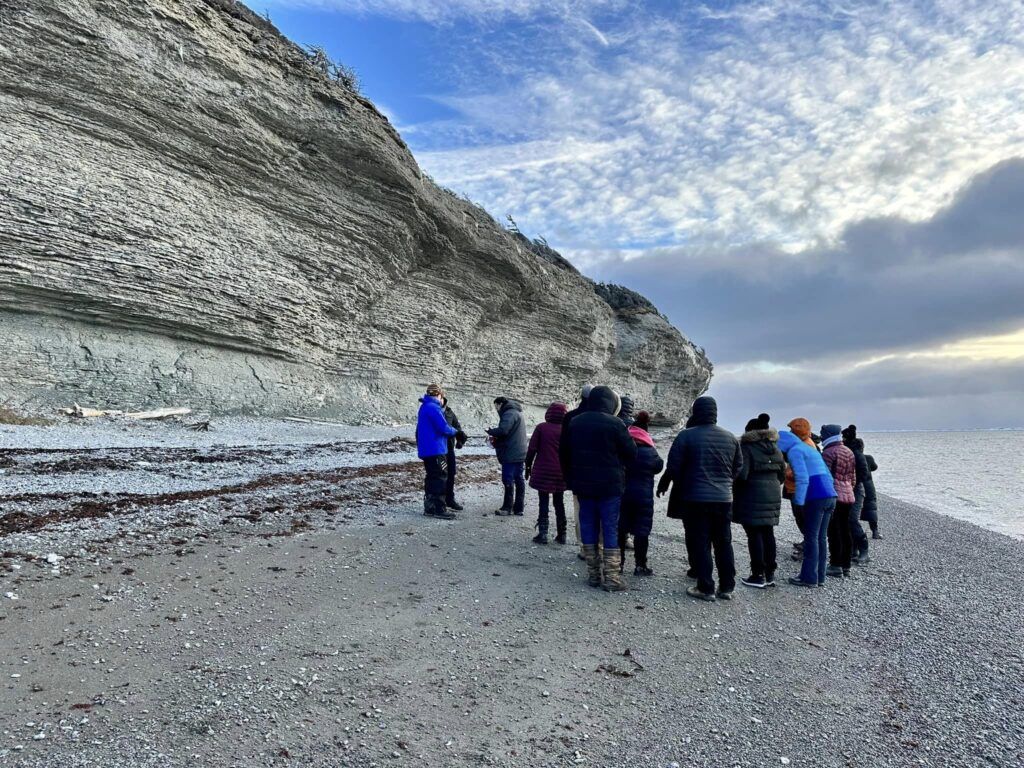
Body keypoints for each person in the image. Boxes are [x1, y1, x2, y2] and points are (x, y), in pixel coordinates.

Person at [657, 395, 742, 602]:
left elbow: (674, 467)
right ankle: (727, 586)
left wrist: (680, 484)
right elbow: (738, 467)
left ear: (696, 412)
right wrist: (725, 482)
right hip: (724, 498)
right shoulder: (730, 437)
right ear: (715, 413)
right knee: (724, 542)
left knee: (700, 542)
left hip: (695, 498)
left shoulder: (686, 436)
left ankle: (706, 587)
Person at [563, 385, 637, 591]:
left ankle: (593, 574)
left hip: (583, 484)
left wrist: (570, 479)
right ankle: (612, 578)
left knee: (588, 525)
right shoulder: (616, 423)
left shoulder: (575, 422)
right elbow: (631, 453)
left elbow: (565, 453)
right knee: (609, 527)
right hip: (610, 486)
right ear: (611, 402)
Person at [777, 428, 837, 587]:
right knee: (820, 538)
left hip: (815, 497)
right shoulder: (810, 449)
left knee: (811, 538)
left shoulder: (795, 451)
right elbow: (828, 474)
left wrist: (799, 500)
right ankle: (820, 576)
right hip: (830, 495)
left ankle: (809, 577)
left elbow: (802, 477)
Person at [733, 414, 786, 589]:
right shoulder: (776, 448)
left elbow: (742, 475)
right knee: (768, 533)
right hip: (773, 495)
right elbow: (782, 476)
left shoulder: (747, 448)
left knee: (754, 534)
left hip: (752, 495)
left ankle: (757, 575)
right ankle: (770, 573)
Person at [619, 411, 664, 576]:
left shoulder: (624, 449)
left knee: (620, 529)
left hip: (623, 494)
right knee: (642, 531)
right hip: (643, 497)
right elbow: (659, 466)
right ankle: (640, 565)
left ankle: (619, 564)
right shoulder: (650, 451)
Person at [525, 402, 568, 544]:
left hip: (543, 471)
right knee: (559, 502)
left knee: (543, 501)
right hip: (561, 472)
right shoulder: (567, 430)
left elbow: (532, 449)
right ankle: (562, 534)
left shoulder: (542, 428)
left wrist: (528, 465)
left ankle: (543, 533)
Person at [560, 384, 595, 560]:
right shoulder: (606, 417)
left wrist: (566, 474)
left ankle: (584, 547)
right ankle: (599, 546)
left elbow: (564, 449)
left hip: (577, 474)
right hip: (601, 475)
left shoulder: (570, 417)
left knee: (581, 511)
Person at [415, 384, 459, 520]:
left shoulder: (424, 407)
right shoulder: (434, 407)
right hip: (436, 449)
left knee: (431, 477)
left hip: (427, 449)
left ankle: (430, 507)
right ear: (439, 395)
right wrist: (456, 432)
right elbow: (443, 427)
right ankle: (439, 508)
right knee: (440, 476)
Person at [821, 424, 856, 578]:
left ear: (828, 436)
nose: (821, 437)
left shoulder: (828, 452)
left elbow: (825, 477)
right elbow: (853, 477)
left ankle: (835, 564)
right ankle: (846, 564)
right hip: (848, 494)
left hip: (834, 494)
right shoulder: (848, 451)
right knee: (845, 529)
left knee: (833, 531)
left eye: (823, 434)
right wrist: (848, 488)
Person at [784, 417, 818, 560]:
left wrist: (785, 473)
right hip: (796, 488)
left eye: (792, 430)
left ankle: (808, 550)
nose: (790, 432)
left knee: (804, 518)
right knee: (801, 518)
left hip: (800, 490)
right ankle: (807, 543)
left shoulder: (806, 446)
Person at [487, 397, 528, 516]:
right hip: (520, 451)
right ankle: (519, 508)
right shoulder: (517, 412)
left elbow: (503, 430)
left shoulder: (509, 413)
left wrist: (490, 431)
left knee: (508, 479)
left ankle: (507, 507)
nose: (496, 409)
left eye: (496, 406)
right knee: (519, 478)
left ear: (500, 404)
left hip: (510, 452)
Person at [843, 425, 871, 564]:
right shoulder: (848, 451)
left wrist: (852, 482)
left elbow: (863, 473)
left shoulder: (856, 453)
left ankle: (864, 550)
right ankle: (854, 549)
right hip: (848, 488)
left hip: (856, 489)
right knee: (847, 519)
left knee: (852, 519)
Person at [440, 397, 469, 511]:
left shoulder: (450, 412)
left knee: (451, 473)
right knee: (440, 474)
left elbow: (458, 428)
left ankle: (450, 499)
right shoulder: (435, 411)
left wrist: (460, 441)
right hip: (438, 449)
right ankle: (440, 501)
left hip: (449, 448)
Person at [862, 446, 882, 539]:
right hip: (869, 487)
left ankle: (858, 530)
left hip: (857, 486)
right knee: (871, 508)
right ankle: (875, 531)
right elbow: (874, 467)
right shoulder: (868, 458)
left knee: (855, 510)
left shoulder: (851, 457)